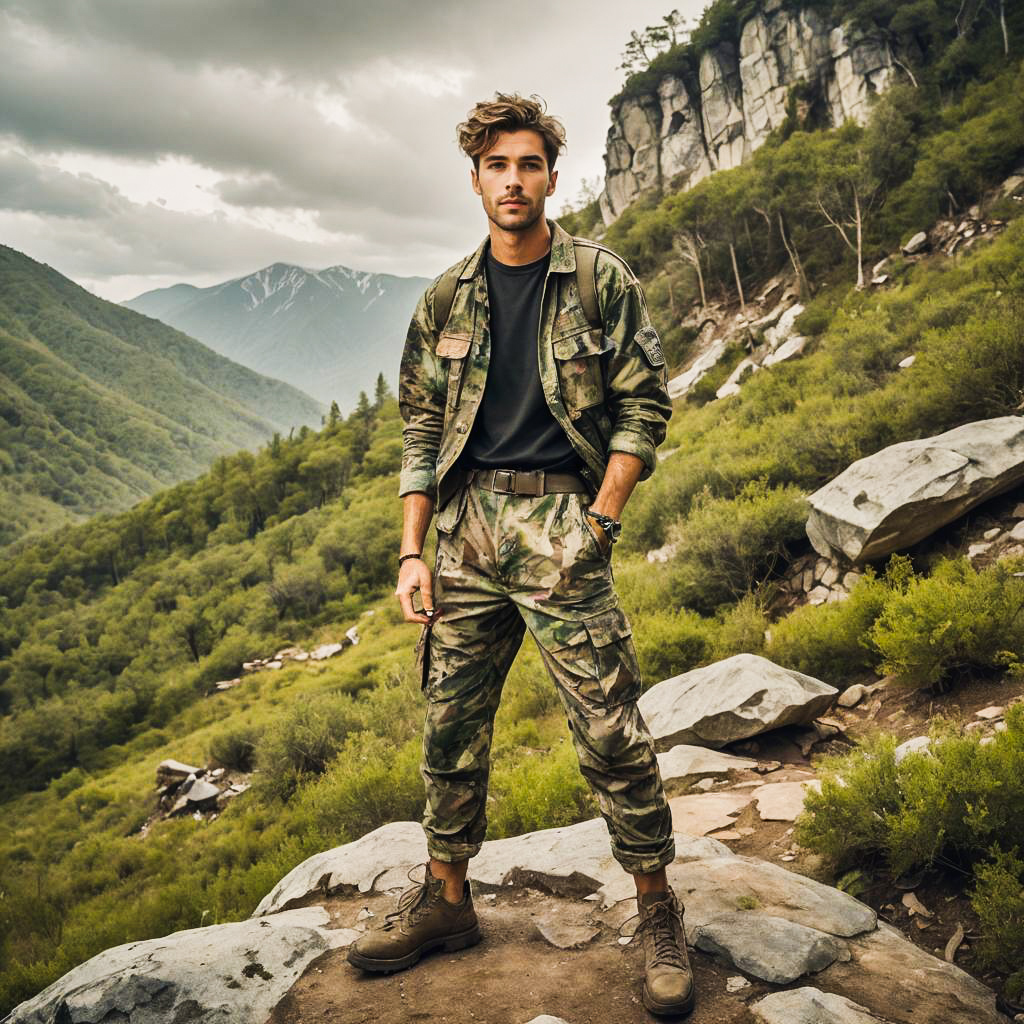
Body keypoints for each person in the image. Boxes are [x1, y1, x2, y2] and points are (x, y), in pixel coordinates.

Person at [347, 93, 693, 1017]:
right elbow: (422, 425)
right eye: (496, 166)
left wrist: (603, 520)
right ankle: (447, 901)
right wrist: (412, 550)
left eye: (528, 164)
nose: (512, 180)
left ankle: (658, 909)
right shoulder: (446, 297)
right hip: (464, 532)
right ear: (475, 180)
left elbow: (644, 406)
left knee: (610, 729)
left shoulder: (598, 281)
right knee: (449, 728)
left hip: (560, 531)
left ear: (550, 175)